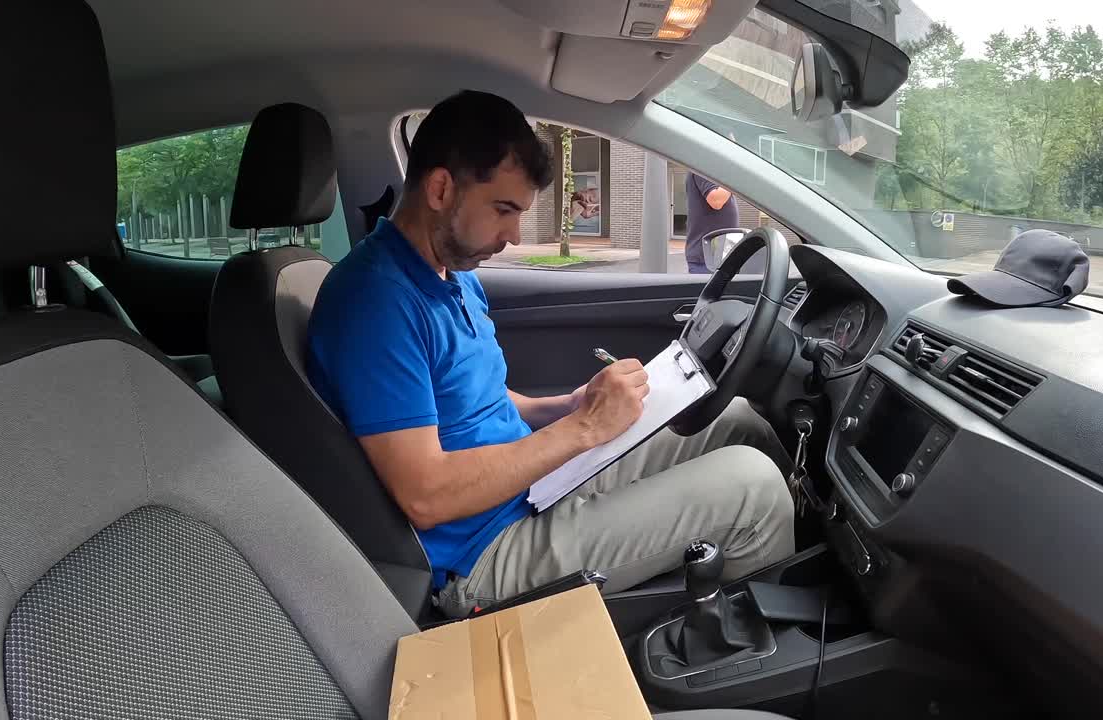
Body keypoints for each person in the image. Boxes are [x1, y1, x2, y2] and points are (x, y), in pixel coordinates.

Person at [306, 90, 796, 617]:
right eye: (503, 210)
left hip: (534, 488)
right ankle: (749, 659)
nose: (514, 235)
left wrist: (568, 405)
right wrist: (583, 430)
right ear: (442, 188)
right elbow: (426, 496)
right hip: (483, 553)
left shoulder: (453, 273)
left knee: (736, 419)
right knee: (756, 490)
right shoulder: (375, 302)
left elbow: (485, 402)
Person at [685, 172, 740, 274]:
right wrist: (735, 175)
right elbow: (716, 200)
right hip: (707, 258)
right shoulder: (701, 166)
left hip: (719, 255)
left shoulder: (715, 174)